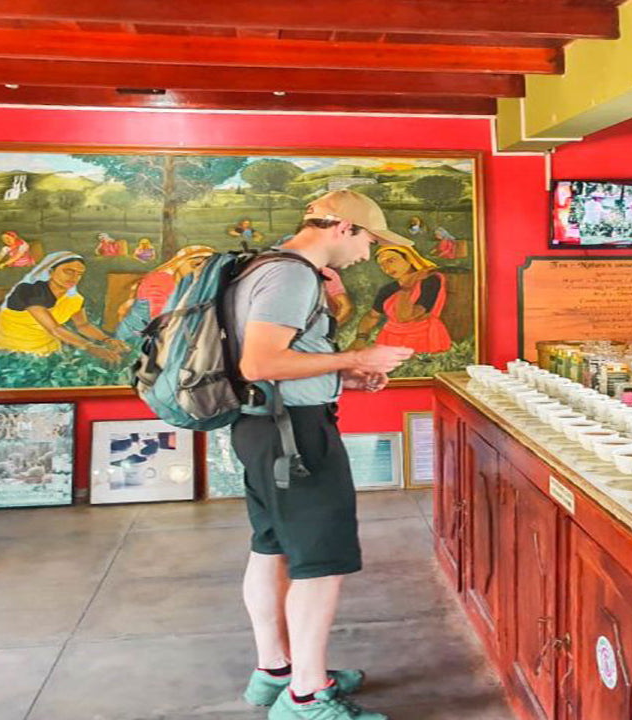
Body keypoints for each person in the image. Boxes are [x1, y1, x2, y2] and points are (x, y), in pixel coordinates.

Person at [229, 189, 412, 720]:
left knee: (272, 547)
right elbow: (260, 362)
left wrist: (342, 376)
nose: (370, 254)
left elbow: (276, 362)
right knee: (320, 562)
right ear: (343, 229)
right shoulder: (292, 275)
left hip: (265, 425)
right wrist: (358, 354)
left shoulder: (262, 266)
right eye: (371, 241)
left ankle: (276, 671)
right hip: (296, 437)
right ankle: (307, 696)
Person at [0, 251, 127, 363]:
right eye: (68, 271)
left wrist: (106, 340)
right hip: (11, 351)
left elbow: (83, 325)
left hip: (49, 350)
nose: (74, 277)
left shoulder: (75, 299)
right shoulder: (29, 291)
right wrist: (90, 347)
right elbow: (54, 328)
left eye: (79, 274)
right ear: (50, 272)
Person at [346, 244, 451, 355]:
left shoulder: (430, 281)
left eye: (391, 261)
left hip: (422, 339)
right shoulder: (387, 289)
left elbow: (405, 316)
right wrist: (360, 339)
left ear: (409, 259)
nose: (387, 268)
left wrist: (406, 288)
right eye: (382, 265)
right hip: (389, 339)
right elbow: (372, 316)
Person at [113, 245, 214, 343]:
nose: (198, 271)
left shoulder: (188, 283)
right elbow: (159, 316)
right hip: (136, 338)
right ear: (180, 262)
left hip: (164, 334)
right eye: (195, 265)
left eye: (205, 269)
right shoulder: (161, 279)